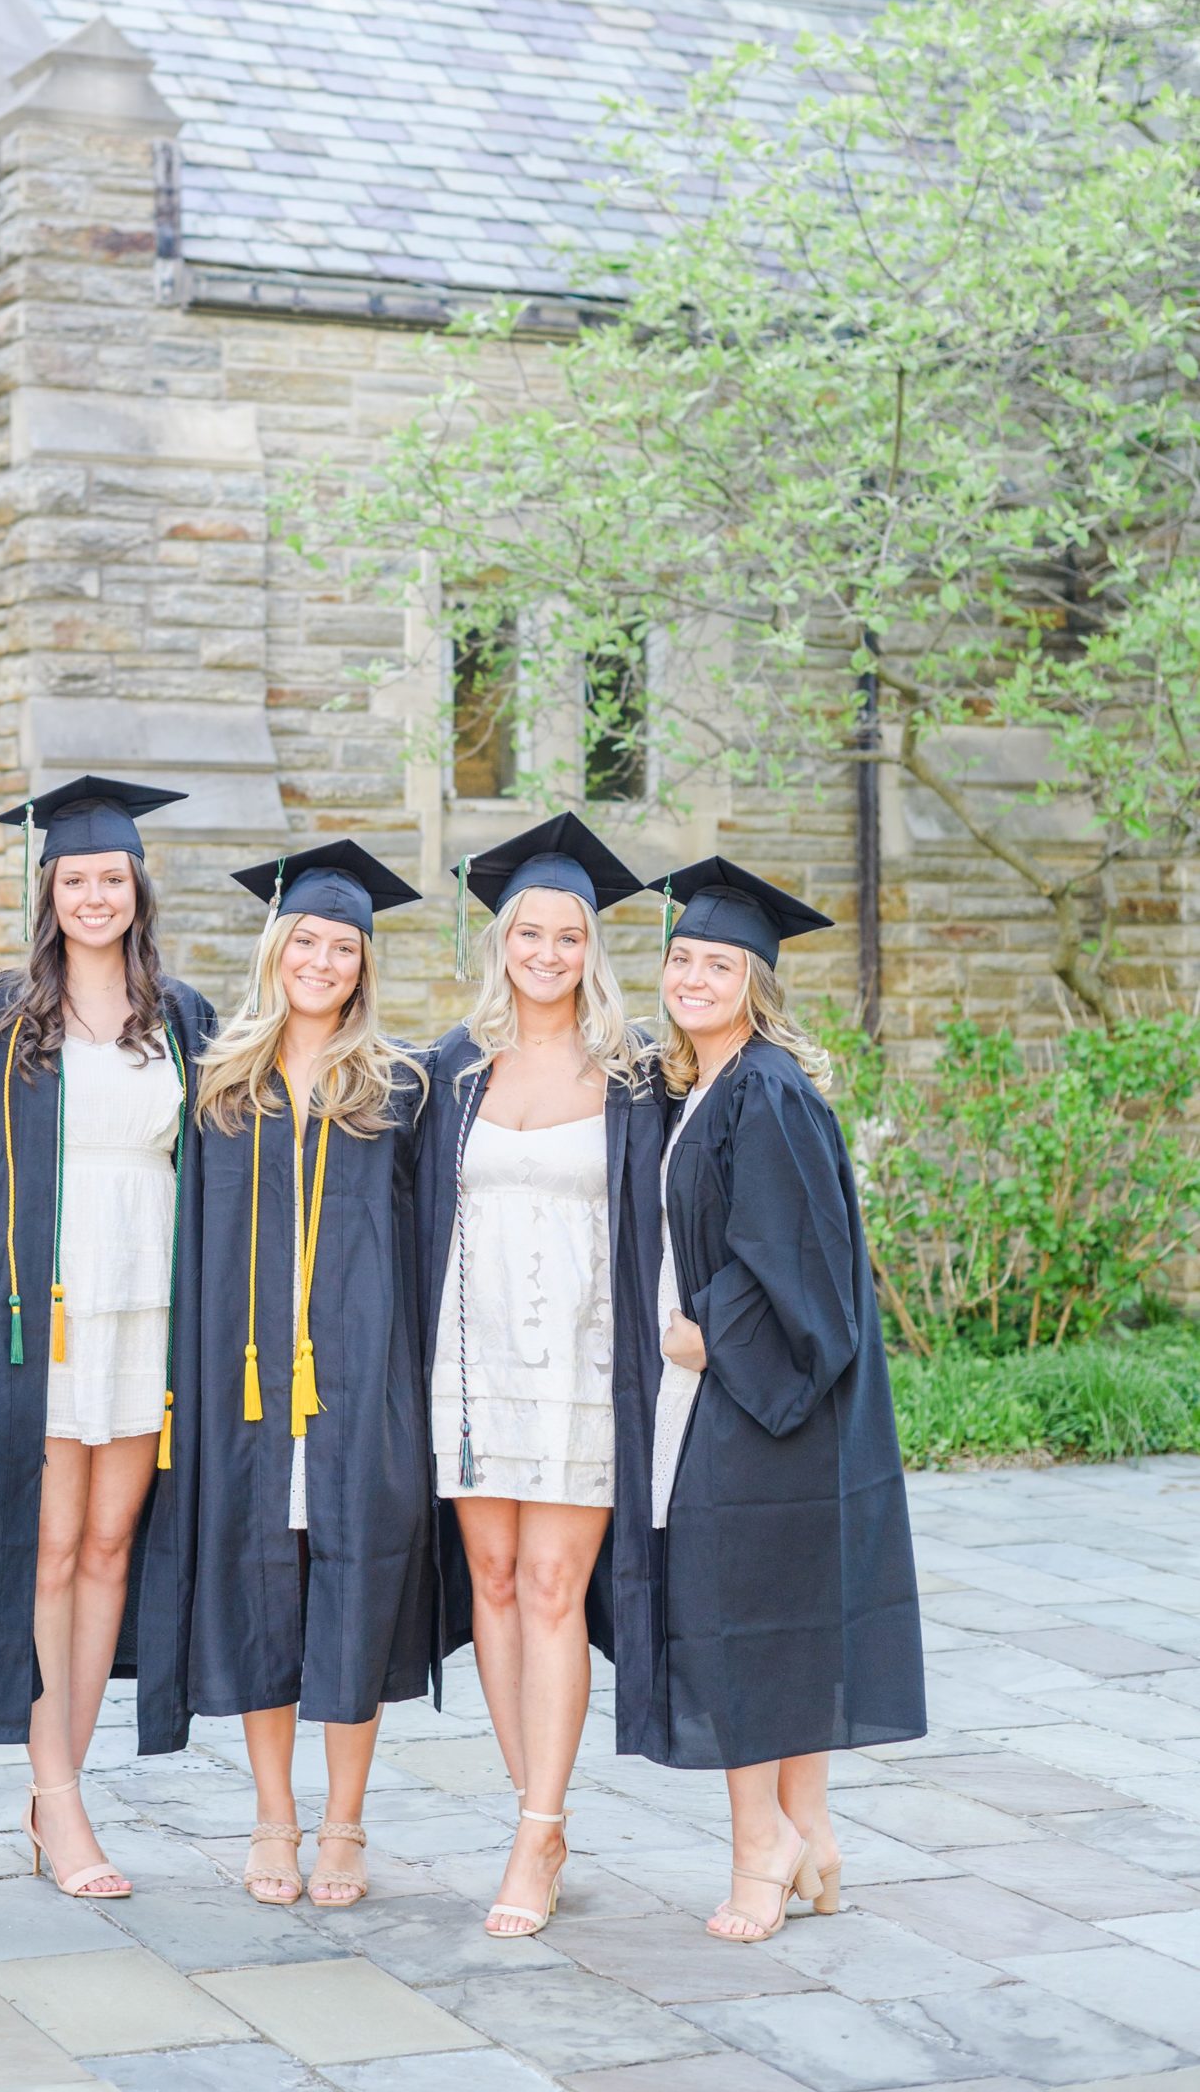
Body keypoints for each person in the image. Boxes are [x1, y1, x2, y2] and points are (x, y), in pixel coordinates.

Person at [139, 840, 432, 1913]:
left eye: (341, 946)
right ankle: (273, 1816)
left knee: (353, 1589)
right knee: (263, 1587)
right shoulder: (219, 1083)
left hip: (361, 1391)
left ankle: (345, 1822)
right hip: (246, 1391)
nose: (320, 961)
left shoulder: (398, 1086)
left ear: (363, 964)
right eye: (304, 939)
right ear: (274, 948)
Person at [642, 855, 925, 1942]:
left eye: (718, 963)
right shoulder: (713, 1082)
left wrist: (705, 1328)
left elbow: (800, 1263)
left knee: (738, 1627)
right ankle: (812, 1839)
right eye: (681, 958)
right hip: (767, 1406)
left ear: (756, 982)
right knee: (780, 1627)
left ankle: (758, 1848)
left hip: (767, 1406)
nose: (694, 977)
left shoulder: (764, 1088)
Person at [0, 777, 216, 1901]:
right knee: (50, 1547)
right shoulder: (0, 1015)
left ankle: (64, 1779)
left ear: (136, 888)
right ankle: (59, 1802)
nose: (94, 894)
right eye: (75, 879)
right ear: (47, 891)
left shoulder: (186, 1016)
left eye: (111, 877)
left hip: (147, 1300)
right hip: (45, 1307)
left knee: (112, 1547)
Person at [417, 811, 667, 1940]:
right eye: (531, 932)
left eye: (569, 936)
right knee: (496, 1579)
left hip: (580, 1360)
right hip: (469, 1364)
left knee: (557, 1586)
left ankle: (533, 1826)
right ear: (501, 941)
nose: (549, 953)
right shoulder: (452, 1071)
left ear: (590, 950)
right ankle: (543, 1817)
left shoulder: (633, 1076)